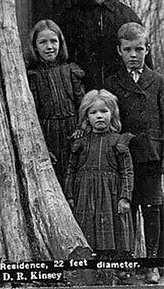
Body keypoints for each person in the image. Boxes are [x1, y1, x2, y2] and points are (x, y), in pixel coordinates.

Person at [104, 22, 164, 284]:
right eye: (127, 49)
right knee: (125, 209)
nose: (133, 54)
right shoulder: (112, 83)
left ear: (147, 49)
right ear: (119, 51)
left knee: (151, 208)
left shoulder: (158, 81)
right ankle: (126, 261)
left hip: (151, 154)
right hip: (123, 157)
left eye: (139, 49)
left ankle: (151, 264)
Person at [59, 0, 150, 91]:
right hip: (82, 97)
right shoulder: (70, 17)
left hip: (121, 99)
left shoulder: (128, 17)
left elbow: (145, 66)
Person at [64, 89, 133, 260]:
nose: (99, 116)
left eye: (104, 111)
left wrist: (125, 197)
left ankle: (115, 266)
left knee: (112, 232)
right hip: (84, 197)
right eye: (93, 112)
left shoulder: (119, 141)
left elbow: (127, 171)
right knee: (87, 231)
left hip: (111, 196)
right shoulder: (80, 142)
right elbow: (70, 170)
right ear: (86, 117)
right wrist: (70, 195)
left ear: (113, 114)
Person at [27, 19, 85, 183]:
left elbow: (82, 104)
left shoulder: (70, 70)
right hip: (49, 133)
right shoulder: (34, 76)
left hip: (73, 131)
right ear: (35, 46)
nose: (49, 47)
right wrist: (43, 146)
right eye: (43, 42)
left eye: (54, 41)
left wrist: (82, 128)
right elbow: (33, 114)